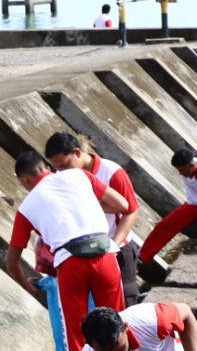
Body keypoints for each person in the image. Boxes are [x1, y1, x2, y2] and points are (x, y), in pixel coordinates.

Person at [4, 151, 132, 351]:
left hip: (71, 264)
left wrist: (26, 284)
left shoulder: (27, 206)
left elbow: (12, 260)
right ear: (47, 167)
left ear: (25, 180)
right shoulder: (80, 175)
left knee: (77, 338)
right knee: (119, 323)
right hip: (105, 255)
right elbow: (121, 204)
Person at [45, 131, 143, 306]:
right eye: (57, 168)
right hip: (87, 254)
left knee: (126, 304)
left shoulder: (111, 172)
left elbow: (131, 211)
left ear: (77, 152)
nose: (62, 171)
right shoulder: (63, 179)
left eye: (65, 165)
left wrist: (114, 244)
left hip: (119, 248)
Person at [138, 148, 197, 279]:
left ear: (191, 166)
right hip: (192, 204)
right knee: (163, 226)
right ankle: (143, 258)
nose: (180, 173)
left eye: (181, 170)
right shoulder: (187, 168)